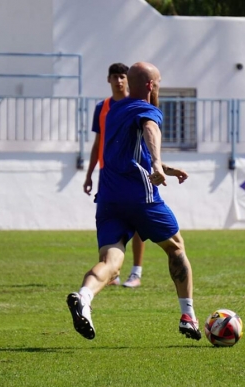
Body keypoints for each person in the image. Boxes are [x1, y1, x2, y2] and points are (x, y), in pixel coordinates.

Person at [67, 61, 201, 341]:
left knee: (111, 261)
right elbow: (151, 130)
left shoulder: (115, 109)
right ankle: (188, 316)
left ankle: (84, 297)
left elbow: (130, 149)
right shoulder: (147, 109)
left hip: (108, 198)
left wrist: (165, 166)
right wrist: (158, 165)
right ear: (151, 85)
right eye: (160, 82)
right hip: (139, 196)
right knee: (176, 248)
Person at [83, 62, 144, 288]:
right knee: (108, 219)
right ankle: (112, 272)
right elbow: (98, 143)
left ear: (127, 80)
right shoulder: (102, 107)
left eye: (122, 76)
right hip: (108, 173)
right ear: (108, 80)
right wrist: (89, 174)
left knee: (138, 221)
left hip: (133, 170)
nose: (119, 81)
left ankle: (136, 272)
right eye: (115, 77)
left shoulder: (136, 105)